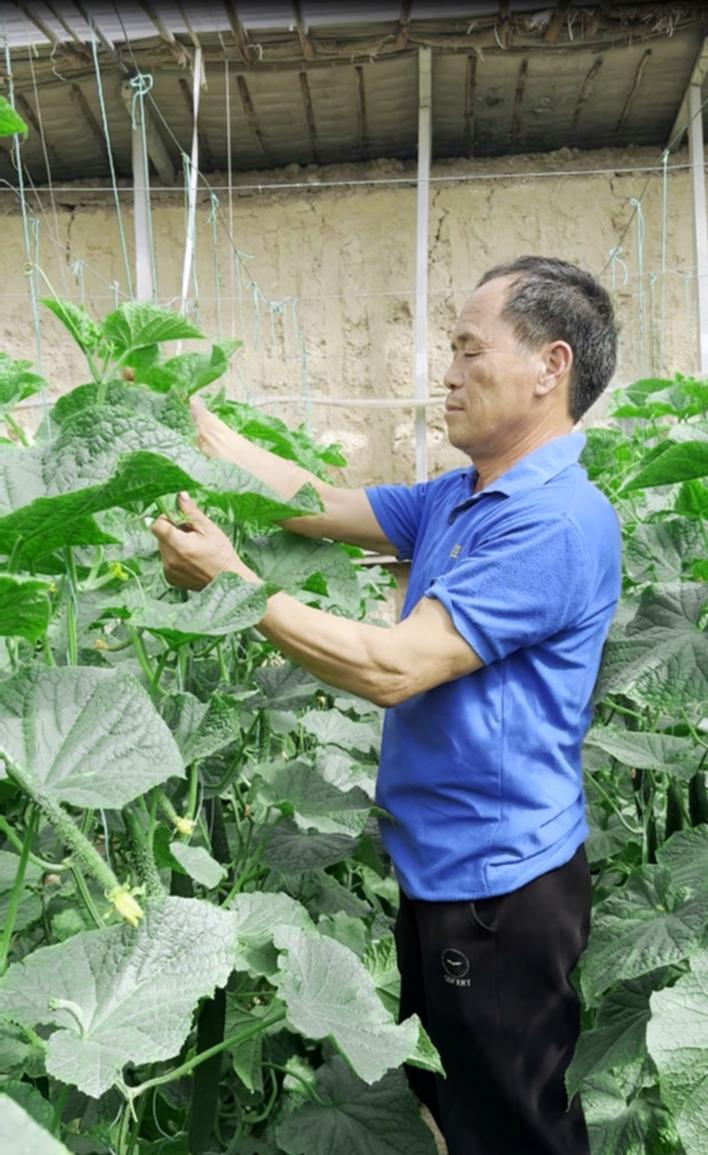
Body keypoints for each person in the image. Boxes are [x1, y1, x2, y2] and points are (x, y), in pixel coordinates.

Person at [151, 255, 621, 1155]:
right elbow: (316, 502)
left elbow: (393, 667)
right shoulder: (461, 496)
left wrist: (233, 585)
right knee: (453, 1109)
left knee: (516, 1133)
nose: (448, 373)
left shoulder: (553, 520)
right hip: (444, 875)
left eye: (469, 350)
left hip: (499, 893)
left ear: (550, 366)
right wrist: (193, 428)